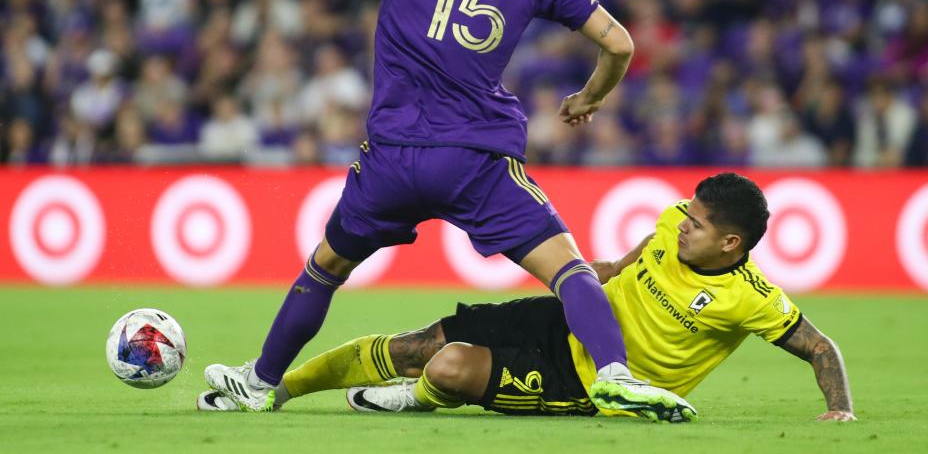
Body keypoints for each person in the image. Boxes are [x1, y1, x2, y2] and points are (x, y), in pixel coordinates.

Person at [149, 0, 695, 420]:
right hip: (476, 159)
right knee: (570, 271)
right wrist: (590, 98)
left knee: (326, 268)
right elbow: (619, 43)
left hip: (393, 158)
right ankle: (614, 376)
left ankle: (259, 382)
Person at [198, 173, 857, 422]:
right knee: (420, 343)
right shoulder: (668, 223)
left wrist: (840, 412)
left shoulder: (751, 298)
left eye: (700, 224)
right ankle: (271, 391)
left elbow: (818, 347)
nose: (684, 223)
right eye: (687, 213)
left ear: (732, 244)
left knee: (448, 366)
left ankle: (419, 401)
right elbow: (619, 267)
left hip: (585, 379)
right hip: (565, 319)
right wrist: (579, 278)